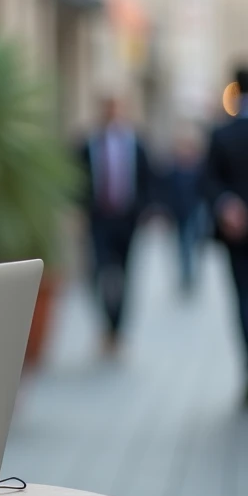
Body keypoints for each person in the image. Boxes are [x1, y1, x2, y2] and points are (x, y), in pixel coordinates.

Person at [78, 95, 154, 357]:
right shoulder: (87, 144)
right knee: (99, 273)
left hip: (127, 220)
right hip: (99, 220)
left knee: (125, 274)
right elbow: (76, 179)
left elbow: (147, 179)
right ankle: (106, 326)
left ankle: (118, 330)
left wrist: (144, 210)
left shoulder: (136, 144)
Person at [205, 68, 248, 405]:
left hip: (237, 236)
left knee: (244, 304)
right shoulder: (222, 134)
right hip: (238, 238)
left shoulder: (222, 133)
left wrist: (226, 204)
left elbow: (208, 182)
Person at [162, 126, 208, 296]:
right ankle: (186, 276)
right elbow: (165, 191)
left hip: (195, 212)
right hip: (177, 213)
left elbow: (205, 190)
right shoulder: (172, 168)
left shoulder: (199, 167)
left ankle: (191, 276)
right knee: (181, 246)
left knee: (192, 244)